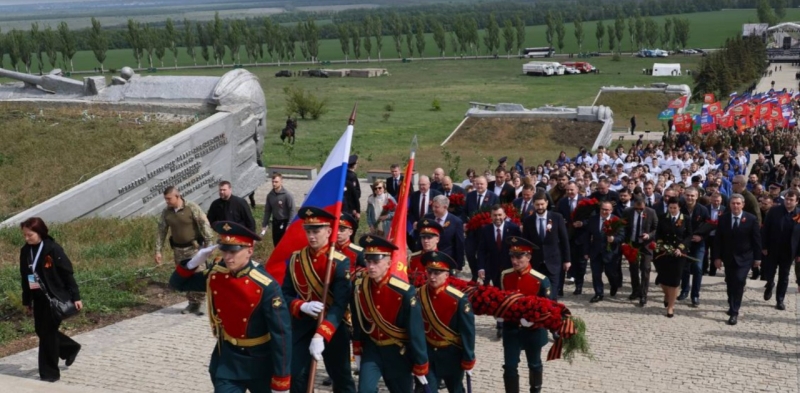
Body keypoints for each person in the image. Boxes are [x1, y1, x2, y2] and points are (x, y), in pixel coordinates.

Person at [169, 221, 291, 392]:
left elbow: (282, 333)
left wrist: (282, 379)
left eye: (233, 251)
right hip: (229, 359)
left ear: (249, 251)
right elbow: (177, 284)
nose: (228, 257)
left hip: (261, 361)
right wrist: (192, 263)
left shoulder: (266, 285)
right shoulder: (217, 275)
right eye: (224, 250)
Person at [281, 207, 355, 393]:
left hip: (333, 326)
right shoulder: (295, 259)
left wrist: (321, 334)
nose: (312, 236)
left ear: (329, 231)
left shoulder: (339, 262)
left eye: (317, 231)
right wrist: (301, 305)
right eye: (308, 231)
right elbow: (285, 294)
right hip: (303, 324)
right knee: (296, 376)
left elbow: (340, 304)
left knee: (341, 377)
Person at [352, 235, 429, 393]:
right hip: (372, 350)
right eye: (368, 261)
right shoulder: (360, 287)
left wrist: (420, 363)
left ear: (388, 263)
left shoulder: (404, 292)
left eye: (376, 262)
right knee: (364, 390)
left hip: (397, 352)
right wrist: (358, 348)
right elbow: (358, 319)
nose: (371, 267)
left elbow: (416, 331)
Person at [19, 217, 83, 383]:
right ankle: (70, 348)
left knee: (47, 334)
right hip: (39, 298)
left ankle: (49, 374)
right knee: (41, 330)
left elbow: (66, 273)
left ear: (40, 232)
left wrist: (76, 296)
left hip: (55, 297)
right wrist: (28, 300)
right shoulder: (26, 251)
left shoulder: (52, 248)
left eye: (30, 235)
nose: (26, 238)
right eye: (24, 235)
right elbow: (27, 277)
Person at [417, 251, 476, 393]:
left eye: (437, 273)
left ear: (446, 275)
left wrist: (468, 358)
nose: (432, 277)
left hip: (452, 355)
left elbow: (468, 332)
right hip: (428, 353)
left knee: (455, 389)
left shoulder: (458, 300)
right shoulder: (418, 295)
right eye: (429, 272)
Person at [500, 236, 550, 393]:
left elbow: (548, 309)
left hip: (533, 329)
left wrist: (534, 320)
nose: (515, 261)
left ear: (528, 257)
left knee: (534, 364)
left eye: (519, 256)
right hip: (512, 329)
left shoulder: (541, 280)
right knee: (509, 366)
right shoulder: (505, 275)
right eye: (512, 256)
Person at [155, 185, 215, 315]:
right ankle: (192, 303)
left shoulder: (191, 208)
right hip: (178, 250)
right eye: (165, 199)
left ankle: (200, 302)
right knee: (184, 276)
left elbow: (204, 224)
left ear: (177, 196)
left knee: (198, 274)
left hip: (194, 249)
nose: (167, 202)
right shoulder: (167, 212)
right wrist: (158, 251)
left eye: (169, 199)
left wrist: (209, 244)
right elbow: (161, 231)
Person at [713, 194, 762, 325]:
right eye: (733, 203)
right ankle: (731, 303)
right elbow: (718, 240)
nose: (735, 206)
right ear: (729, 205)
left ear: (743, 204)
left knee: (739, 281)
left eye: (738, 203)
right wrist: (717, 257)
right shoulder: (723, 219)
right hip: (728, 257)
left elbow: (756, 240)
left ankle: (735, 311)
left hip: (745, 257)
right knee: (730, 282)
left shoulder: (751, 219)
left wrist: (758, 258)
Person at [477, 205, 521, 338]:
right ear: (491, 216)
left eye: (500, 215)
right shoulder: (486, 230)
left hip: (511, 269)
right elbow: (482, 251)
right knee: (498, 298)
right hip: (494, 269)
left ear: (505, 216)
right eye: (495, 215)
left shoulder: (513, 228)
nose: (497, 218)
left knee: (511, 296)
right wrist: (481, 268)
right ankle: (500, 325)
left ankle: (512, 321)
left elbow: (519, 249)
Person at [522, 191, 570, 300]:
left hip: (554, 262)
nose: (540, 207)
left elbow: (564, 240)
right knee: (538, 293)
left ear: (547, 203)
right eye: (537, 204)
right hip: (536, 263)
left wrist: (567, 260)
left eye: (542, 204)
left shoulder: (557, 217)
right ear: (533, 204)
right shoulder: (528, 220)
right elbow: (526, 242)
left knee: (552, 294)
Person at [761, 190, 800, 311]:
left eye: (791, 200)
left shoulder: (798, 214)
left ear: (797, 201)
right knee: (769, 272)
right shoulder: (774, 211)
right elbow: (765, 229)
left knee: (784, 276)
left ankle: (780, 299)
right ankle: (770, 284)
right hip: (773, 248)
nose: (788, 202)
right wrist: (764, 246)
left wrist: (799, 253)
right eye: (786, 199)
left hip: (788, 251)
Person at [654, 197, 693, 318]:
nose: (672, 210)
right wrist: (661, 246)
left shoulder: (685, 218)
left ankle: (671, 307)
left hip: (678, 253)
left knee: (675, 280)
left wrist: (680, 248)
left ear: (679, 207)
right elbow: (658, 233)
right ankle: (667, 294)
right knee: (663, 278)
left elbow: (689, 235)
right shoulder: (662, 217)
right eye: (670, 208)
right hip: (664, 252)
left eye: (674, 208)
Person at [584, 201, 623, 302]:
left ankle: (614, 285)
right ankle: (598, 293)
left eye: (607, 210)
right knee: (596, 274)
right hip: (595, 251)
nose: (604, 211)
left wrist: (614, 239)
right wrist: (586, 252)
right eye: (603, 209)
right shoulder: (593, 219)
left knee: (611, 273)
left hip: (610, 252)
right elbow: (587, 236)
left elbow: (622, 236)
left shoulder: (616, 220)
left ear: (611, 210)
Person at [678, 187, 710, 307]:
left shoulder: (703, 210)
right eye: (688, 195)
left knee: (697, 267)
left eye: (692, 196)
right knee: (685, 267)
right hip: (683, 243)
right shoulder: (680, 208)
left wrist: (701, 237)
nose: (690, 198)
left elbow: (709, 226)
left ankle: (695, 295)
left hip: (698, 243)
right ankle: (684, 290)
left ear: (697, 196)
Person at [623, 197, 658, 306]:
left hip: (646, 245)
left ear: (645, 206)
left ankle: (643, 294)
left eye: (641, 209)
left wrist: (649, 235)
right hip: (633, 244)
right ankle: (635, 290)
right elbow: (623, 227)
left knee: (645, 269)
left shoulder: (651, 212)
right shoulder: (627, 212)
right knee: (633, 268)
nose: (639, 211)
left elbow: (656, 228)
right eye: (637, 209)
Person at [557, 182, 588, 295]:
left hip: (580, 237)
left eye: (572, 190)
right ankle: (559, 288)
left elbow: (591, 218)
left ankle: (578, 286)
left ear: (577, 190)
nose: (569, 192)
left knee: (579, 263)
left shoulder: (585, 202)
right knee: (562, 263)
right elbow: (557, 215)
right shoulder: (563, 201)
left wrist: (583, 223)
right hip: (565, 236)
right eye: (568, 190)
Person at [732, 174, 762, 280]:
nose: (731, 185)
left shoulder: (749, 198)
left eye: (733, 183)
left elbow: (757, 216)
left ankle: (753, 271)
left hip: (747, 231)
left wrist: (754, 231)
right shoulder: (735, 195)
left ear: (739, 184)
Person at [423, 195, 465, 271]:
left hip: (446, 260)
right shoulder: (428, 218)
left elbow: (459, 244)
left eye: (436, 207)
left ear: (445, 207)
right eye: (433, 206)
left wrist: (458, 265)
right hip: (428, 259)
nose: (433, 209)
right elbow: (422, 237)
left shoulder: (456, 222)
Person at [261, 173, 296, 246]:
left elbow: (292, 210)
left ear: (281, 182)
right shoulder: (270, 195)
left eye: (276, 182)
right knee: (276, 244)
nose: (274, 184)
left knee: (285, 245)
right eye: (273, 182)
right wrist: (264, 224)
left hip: (285, 222)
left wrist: (289, 224)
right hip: (276, 222)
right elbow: (268, 210)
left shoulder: (287, 195)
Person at [409, 176, 442, 247]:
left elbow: (440, 211)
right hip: (418, 227)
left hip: (432, 227)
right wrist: (413, 221)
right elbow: (410, 211)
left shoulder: (437, 194)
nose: (421, 187)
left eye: (423, 184)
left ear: (429, 184)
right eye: (420, 185)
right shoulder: (414, 195)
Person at [344, 155, 362, 241]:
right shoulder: (352, 176)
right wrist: (357, 210)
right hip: (351, 209)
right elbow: (355, 195)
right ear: (354, 165)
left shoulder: (344, 174)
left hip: (345, 207)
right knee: (351, 231)